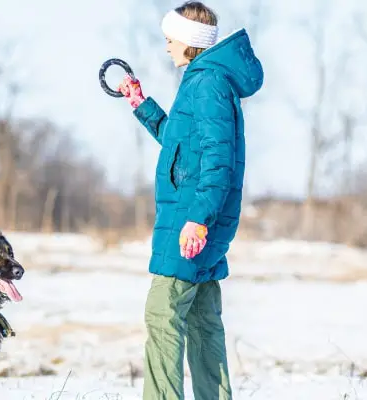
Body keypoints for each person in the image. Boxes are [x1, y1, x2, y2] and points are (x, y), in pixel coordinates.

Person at [117, 1, 264, 399]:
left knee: (162, 313)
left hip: (191, 224)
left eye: (170, 40)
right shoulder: (205, 81)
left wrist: (198, 218)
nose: (167, 47)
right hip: (196, 222)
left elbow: (218, 159)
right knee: (202, 323)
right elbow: (181, 148)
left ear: (188, 41)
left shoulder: (207, 83)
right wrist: (141, 105)